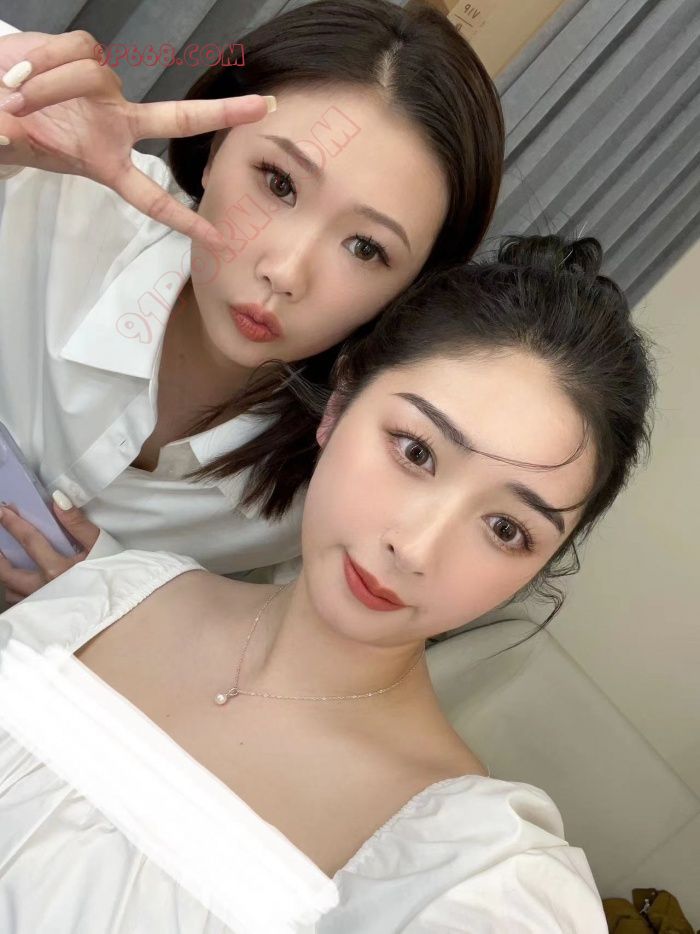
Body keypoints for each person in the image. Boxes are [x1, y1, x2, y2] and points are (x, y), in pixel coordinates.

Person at [0, 234, 656, 932]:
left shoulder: (471, 867)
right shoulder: (111, 595)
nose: (415, 548)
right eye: (416, 451)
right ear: (339, 406)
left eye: (505, 529)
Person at [0, 0, 504, 602]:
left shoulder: (331, 490)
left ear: (411, 291)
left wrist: (114, 606)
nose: (286, 272)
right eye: (279, 182)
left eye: (366, 248)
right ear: (215, 147)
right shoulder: (55, 186)